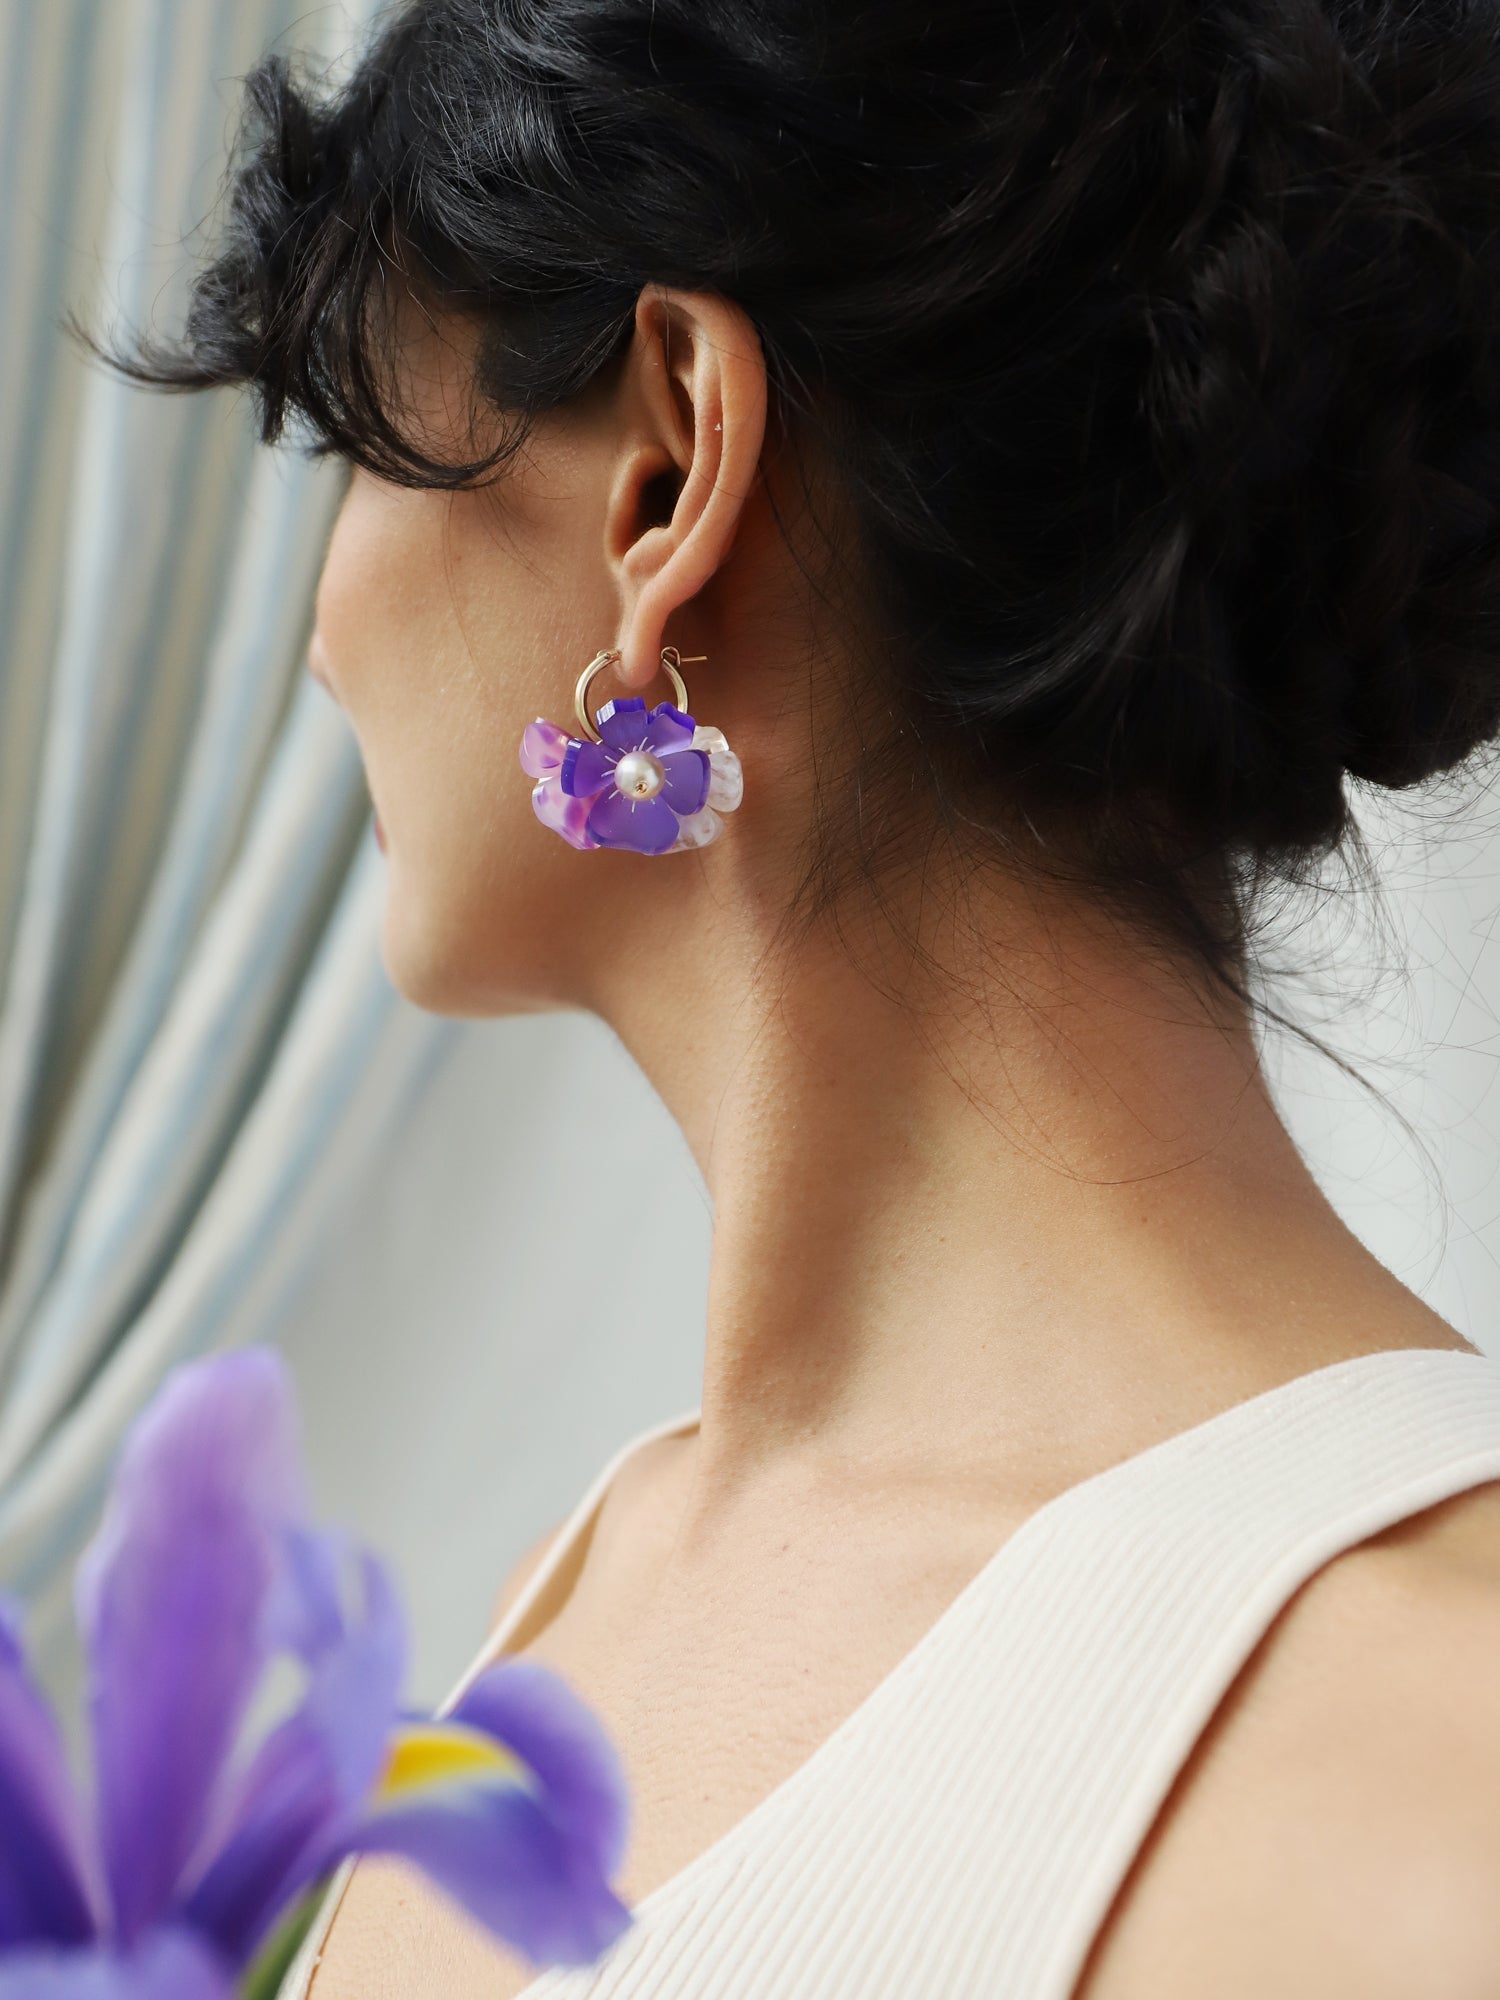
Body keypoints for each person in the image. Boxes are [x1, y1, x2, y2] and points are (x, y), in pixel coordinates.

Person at [83, 0, 1500, 1991]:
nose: (326, 631)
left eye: (349, 445)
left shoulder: (1435, 1767)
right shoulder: (575, 1607)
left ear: (668, 468)